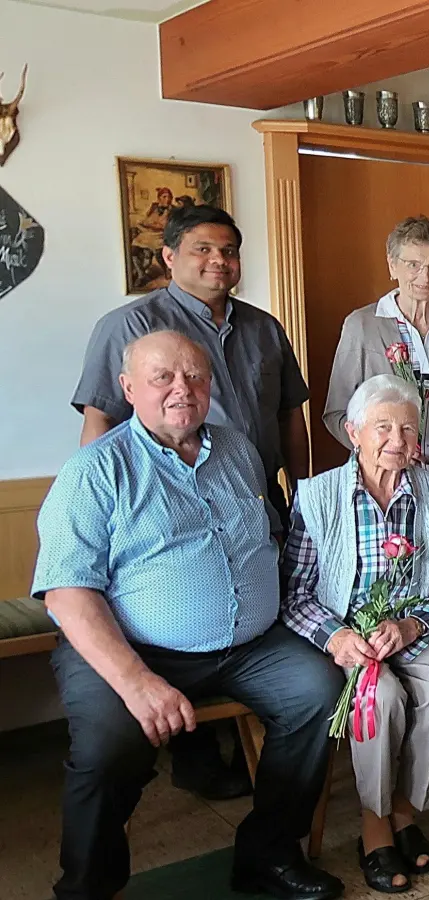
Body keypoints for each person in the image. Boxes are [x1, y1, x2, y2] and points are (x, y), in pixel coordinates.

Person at [34, 331, 343, 900]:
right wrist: (136, 682)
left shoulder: (237, 450)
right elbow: (67, 595)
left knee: (318, 692)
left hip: (249, 645)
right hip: (131, 647)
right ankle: (87, 887)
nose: (182, 389)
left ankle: (269, 854)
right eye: (163, 377)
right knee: (107, 746)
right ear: (129, 389)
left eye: (195, 376)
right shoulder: (96, 470)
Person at [73, 203, 312, 802]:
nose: (218, 261)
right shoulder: (128, 325)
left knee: (255, 617)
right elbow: (101, 420)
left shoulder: (264, 328)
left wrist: (304, 495)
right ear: (169, 256)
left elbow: (290, 415)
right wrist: (99, 496)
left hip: (251, 499)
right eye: (202, 249)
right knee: (179, 609)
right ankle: (196, 757)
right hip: (162, 502)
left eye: (229, 251)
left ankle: (257, 766)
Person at [282, 374, 429, 894]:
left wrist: (412, 624)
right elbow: (295, 594)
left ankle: (405, 809)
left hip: (418, 627)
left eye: (408, 429)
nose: (396, 441)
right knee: (379, 697)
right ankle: (374, 822)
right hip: (352, 637)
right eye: (382, 427)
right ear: (353, 431)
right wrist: (336, 637)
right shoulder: (317, 496)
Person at [324, 216, 429, 446]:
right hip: (383, 464)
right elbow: (336, 414)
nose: (424, 277)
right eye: (413, 265)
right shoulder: (360, 326)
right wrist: (378, 454)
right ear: (392, 266)